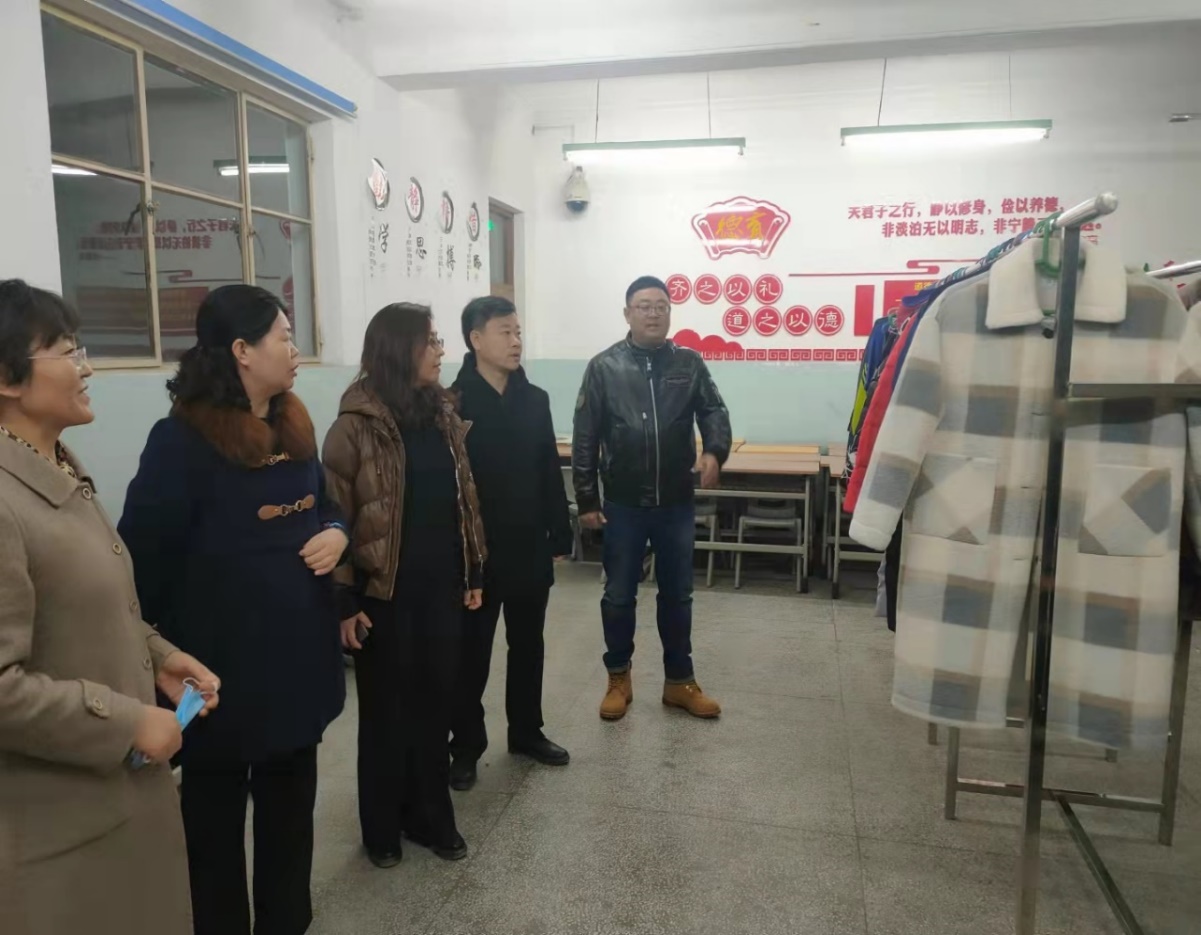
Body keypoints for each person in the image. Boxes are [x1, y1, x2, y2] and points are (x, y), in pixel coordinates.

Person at [118, 285, 347, 935]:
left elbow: (328, 505)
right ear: (242, 350)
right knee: (212, 827)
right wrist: (161, 658)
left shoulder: (293, 426)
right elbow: (140, 560)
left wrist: (337, 532)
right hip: (218, 675)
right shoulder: (181, 442)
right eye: (283, 337)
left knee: (291, 817)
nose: (295, 349)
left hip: (298, 664)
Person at [0, 279, 219, 935]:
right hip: (59, 831)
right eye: (67, 351)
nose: (87, 367)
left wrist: (160, 655)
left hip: (118, 802)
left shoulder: (58, 467)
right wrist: (127, 721)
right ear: (6, 378)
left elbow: (85, 603)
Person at [323, 303, 487, 867]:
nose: (440, 351)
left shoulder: (443, 417)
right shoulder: (354, 426)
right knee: (386, 714)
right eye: (430, 342)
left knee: (435, 706)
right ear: (400, 350)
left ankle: (430, 816)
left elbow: (465, 500)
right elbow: (335, 517)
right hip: (382, 595)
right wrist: (343, 601)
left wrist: (474, 569)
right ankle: (382, 827)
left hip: (441, 587)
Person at [573, 275, 732, 721]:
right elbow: (585, 436)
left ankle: (679, 681)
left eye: (661, 306)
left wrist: (715, 451)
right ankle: (618, 678)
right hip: (622, 504)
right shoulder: (604, 367)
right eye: (644, 306)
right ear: (627, 313)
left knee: (678, 595)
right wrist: (587, 499)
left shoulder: (689, 363)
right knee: (619, 595)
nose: (653, 313)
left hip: (676, 503)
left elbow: (714, 411)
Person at [448, 296, 574, 791]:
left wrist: (559, 528)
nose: (516, 341)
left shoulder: (534, 399)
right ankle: (466, 746)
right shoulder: (453, 404)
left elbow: (548, 467)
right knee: (472, 653)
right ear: (476, 339)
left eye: (518, 331)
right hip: (477, 554)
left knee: (528, 644)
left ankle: (526, 731)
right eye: (505, 332)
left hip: (528, 544)